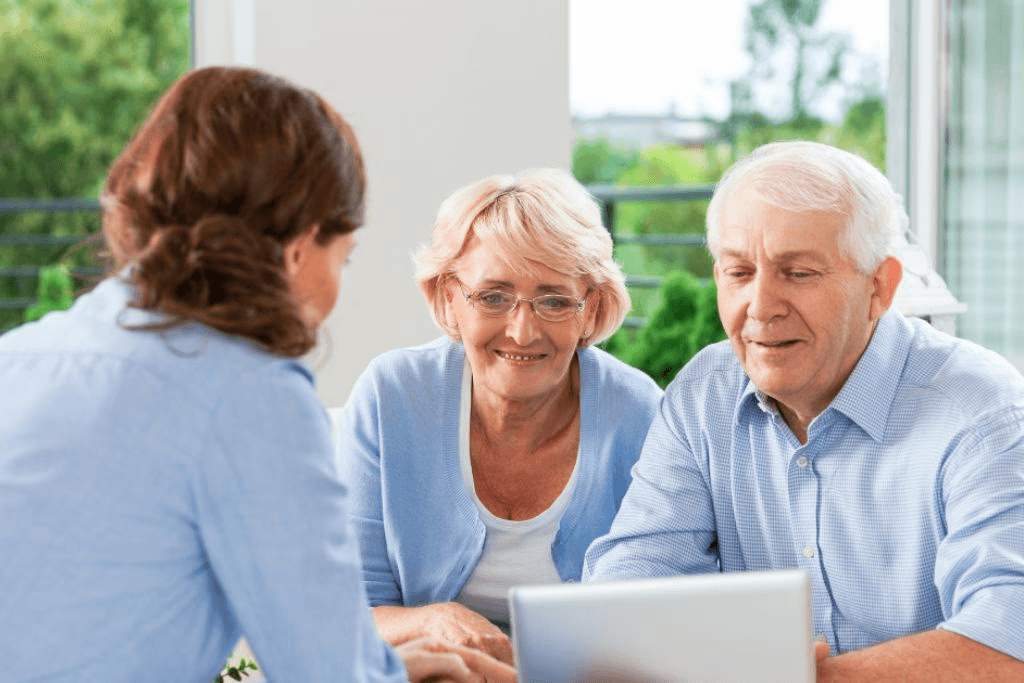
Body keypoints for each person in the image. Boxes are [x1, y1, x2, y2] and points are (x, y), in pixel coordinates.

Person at [0, 66, 514, 683]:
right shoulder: (249, 396)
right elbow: (321, 672)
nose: (334, 289)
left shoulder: (22, 357)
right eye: (342, 258)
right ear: (299, 247)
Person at [583, 141, 1024, 682]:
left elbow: (1007, 640)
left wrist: (805, 678)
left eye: (799, 273)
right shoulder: (707, 391)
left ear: (878, 287)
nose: (762, 307)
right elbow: (633, 577)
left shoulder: (981, 411)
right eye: (739, 273)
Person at [337, 168, 663, 666]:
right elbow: (352, 609)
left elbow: (660, 612)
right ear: (450, 297)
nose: (522, 330)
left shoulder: (639, 412)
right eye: (493, 296)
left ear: (590, 308)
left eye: (554, 300)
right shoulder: (391, 396)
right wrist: (432, 618)